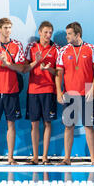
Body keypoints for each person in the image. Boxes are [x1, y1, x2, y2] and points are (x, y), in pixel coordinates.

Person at [55, 22, 94, 165]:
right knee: (69, 126)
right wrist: (58, 92)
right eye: (66, 33)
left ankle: (93, 159)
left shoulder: (91, 49)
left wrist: (93, 89)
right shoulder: (63, 50)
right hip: (69, 92)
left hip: (86, 92)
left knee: (88, 125)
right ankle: (67, 159)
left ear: (77, 35)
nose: (66, 36)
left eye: (69, 34)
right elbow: (58, 73)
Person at [0, 18, 26, 165]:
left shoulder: (17, 45)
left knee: (11, 124)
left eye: (9, 27)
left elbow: (21, 68)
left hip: (11, 89)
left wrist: (7, 63)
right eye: (5, 27)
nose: (8, 30)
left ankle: (10, 158)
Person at [24, 21, 59, 165]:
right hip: (33, 90)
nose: (48, 35)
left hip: (49, 89)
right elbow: (24, 69)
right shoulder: (31, 47)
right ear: (39, 32)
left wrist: (48, 69)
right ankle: (35, 157)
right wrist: (36, 63)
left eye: (50, 32)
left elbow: (58, 72)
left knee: (47, 123)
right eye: (45, 32)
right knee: (34, 124)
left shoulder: (56, 48)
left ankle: (44, 157)